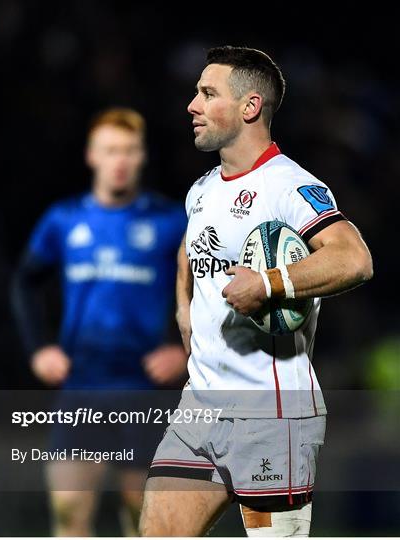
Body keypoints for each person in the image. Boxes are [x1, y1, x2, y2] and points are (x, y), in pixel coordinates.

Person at [139, 46, 373, 537]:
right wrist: (184, 310)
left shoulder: (288, 186)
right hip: (200, 408)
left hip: (271, 415)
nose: (191, 105)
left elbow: (353, 258)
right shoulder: (202, 189)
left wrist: (269, 282)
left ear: (249, 107)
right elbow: (190, 248)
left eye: (207, 93)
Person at [12, 107, 187, 536]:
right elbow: (25, 283)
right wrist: (39, 349)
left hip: (144, 391)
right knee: (70, 519)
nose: (120, 160)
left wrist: (185, 350)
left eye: (129, 150)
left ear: (142, 155)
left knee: (144, 524)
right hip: (81, 388)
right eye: (110, 150)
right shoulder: (64, 219)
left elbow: (207, 290)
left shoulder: (170, 221)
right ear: (92, 155)